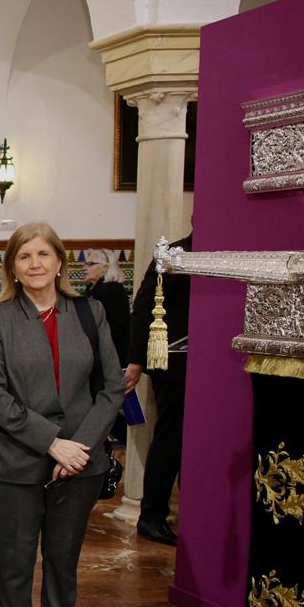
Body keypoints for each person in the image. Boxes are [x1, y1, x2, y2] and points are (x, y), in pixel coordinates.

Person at [0, 222, 124, 607]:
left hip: (80, 464)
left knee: (63, 563)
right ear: (13, 269)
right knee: (16, 565)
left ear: (60, 263)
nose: (35, 263)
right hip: (19, 464)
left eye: (43, 254)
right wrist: (52, 444)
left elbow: (111, 386)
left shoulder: (90, 312)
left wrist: (79, 446)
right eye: (24, 256)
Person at [126, 231, 192, 547]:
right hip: (176, 366)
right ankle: (152, 516)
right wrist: (136, 361)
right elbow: (143, 307)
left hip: (203, 368)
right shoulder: (174, 254)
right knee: (170, 440)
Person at [83, 249, 131, 445]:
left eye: (90, 264)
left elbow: (116, 328)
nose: (85, 267)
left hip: (111, 359)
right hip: (99, 359)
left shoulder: (110, 290)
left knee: (103, 403)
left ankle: (127, 438)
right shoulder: (95, 291)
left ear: (105, 267)